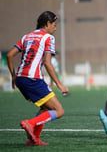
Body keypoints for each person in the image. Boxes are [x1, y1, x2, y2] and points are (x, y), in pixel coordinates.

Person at [7, 11, 69, 146]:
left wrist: (13, 76)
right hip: (32, 79)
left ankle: (33, 139)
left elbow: (10, 55)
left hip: (20, 79)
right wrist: (60, 84)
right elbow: (47, 63)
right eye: (54, 24)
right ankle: (30, 123)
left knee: (45, 107)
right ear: (47, 23)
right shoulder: (48, 38)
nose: (55, 28)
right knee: (59, 111)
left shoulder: (27, 36)